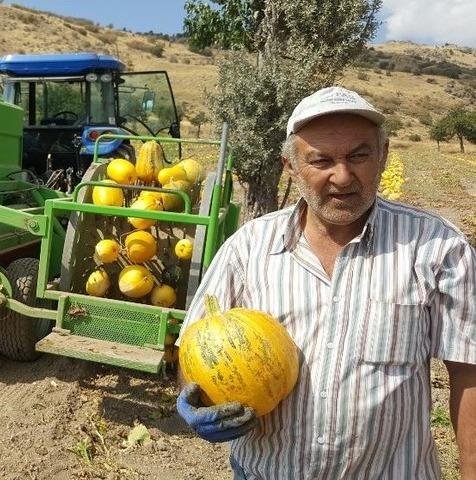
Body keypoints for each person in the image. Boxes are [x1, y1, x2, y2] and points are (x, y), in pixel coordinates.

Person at [175, 86, 476, 478]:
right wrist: (194, 399)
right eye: (321, 160)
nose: (343, 176)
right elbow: (192, 350)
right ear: (291, 166)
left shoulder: (438, 247)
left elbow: (469, 372)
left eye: (359, 155)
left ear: (383, 156)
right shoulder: (247, 248)